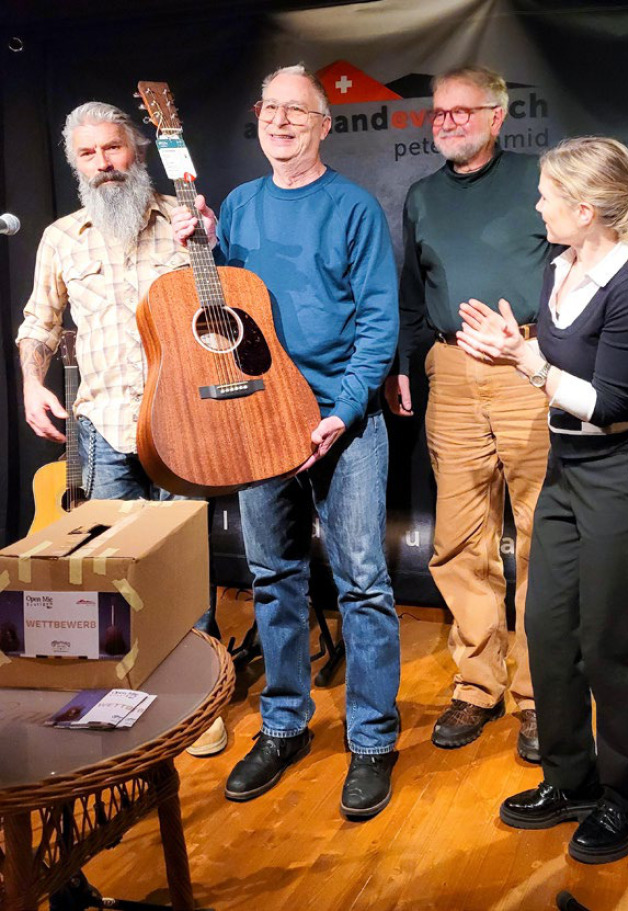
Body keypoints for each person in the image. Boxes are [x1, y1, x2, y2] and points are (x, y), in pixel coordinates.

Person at [457, 136, 628, 863]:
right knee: (548, 626)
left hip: (619, 474)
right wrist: (514, 340)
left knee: (609, 648)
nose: (537, 205)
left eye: (547, 197)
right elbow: (565, 365)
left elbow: (613, 398)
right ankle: (573, 780)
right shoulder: (558, 265)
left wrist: (526, 362)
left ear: (586, 209)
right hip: (568, 469)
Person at [172, 64, 401, 819]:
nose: (280, 120)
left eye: (297, 110)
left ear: (324, 125)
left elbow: (378, 322)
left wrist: (339, 412)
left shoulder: (354, 207)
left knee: (363, 581)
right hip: (258, 420)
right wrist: (198, 248)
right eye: (270, 107)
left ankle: (371, 740)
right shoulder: (236, 205)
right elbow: (224, 312)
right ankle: (284, 724)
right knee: (273, 578)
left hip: (343, 422)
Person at [16, 101, 226, 758]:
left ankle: (197, 699)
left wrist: (213, 244)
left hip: (183, 421)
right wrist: (30, 381)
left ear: (136, 149)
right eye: (89, 154)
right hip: (105, 423)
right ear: (74, 163)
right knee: (115, 567)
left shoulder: (185, 222)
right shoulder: (61, 237)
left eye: (114, 148)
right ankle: (130, 688)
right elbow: (39, 324)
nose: (104, 163)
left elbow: (225, 310)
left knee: (185, 567)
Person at [385, 66, 552, 760]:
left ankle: (544, 696)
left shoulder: (541, 180)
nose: (446, 121)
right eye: (438, 113)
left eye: (462, 111)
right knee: (458, 537)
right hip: (449, 371)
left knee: (543, 532)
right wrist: (404, 360)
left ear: (496, 116)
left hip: (527, 366)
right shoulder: (422, 195)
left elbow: (580, 263)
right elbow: (412, 289)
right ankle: (477, 684)